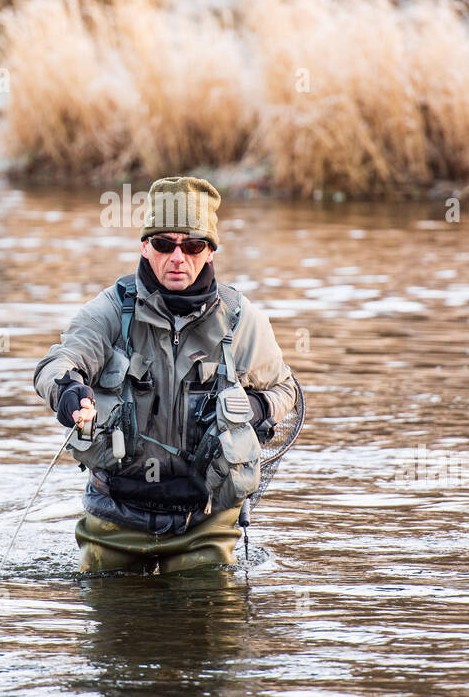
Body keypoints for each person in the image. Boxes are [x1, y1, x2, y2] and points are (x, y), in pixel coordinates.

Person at [33, 175, 299, 573]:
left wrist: (256, 407)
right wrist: (69, 391)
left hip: (206, 519)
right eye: (164, 244)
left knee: (206, 614)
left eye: (192, 245)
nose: (178, 257)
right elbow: (55, 365)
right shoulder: (108, 310)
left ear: (209, 251)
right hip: (114, 515)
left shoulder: (243, 320)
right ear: (145, 246)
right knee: (112, 611)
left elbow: (285, 390)